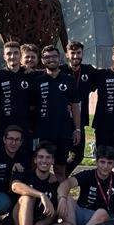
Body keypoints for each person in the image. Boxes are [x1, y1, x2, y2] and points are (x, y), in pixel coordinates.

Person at [11, 142, 74, 225]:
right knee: (28, 197)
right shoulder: (25, 174)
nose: (44, 161)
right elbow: (15, 186)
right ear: (35, 160)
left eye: (48, 157)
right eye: (40, 157)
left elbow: (54, 214)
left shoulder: (55, 184)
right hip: (19, 223)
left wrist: (41, 223)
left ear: (52, 160)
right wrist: (41, 195)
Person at [30, 45, 81, 178]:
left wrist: (77, 129)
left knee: (60, 169)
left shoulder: (68, 80)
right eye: (47, 57)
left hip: (63, 132)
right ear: (42, 60)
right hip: (42, 132)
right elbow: (31, 107)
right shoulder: (37, 80)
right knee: (37, 166)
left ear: (59, 58)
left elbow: (75, 106)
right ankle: (38, 196)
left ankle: (60, 197)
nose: (51, 59)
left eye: (54, 56)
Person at [61, 40, 96, 174]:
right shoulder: (61, 70)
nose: (76, 56)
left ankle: (62, 179)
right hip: (62, 120)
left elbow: (107, 74)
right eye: (73, 53)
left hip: (80, 120)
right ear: (67, 55)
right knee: (62, 155)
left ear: (82, 54)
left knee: (78, 155)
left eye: (78, 53)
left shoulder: (89, 70)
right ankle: (60, 180)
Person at [0, 41, 34, 147]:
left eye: (16, 53)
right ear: (4, 56)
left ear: (20, 55)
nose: (12, 56)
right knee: (1, 159)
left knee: (24, 159)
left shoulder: (29, 75)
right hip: (3, 126)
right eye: (9, 54)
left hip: (24, 126)